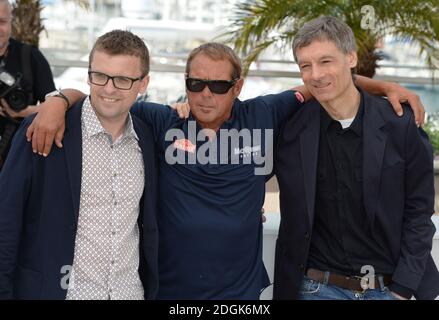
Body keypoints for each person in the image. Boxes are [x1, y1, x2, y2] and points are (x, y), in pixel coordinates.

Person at [26, 41, 426, 299]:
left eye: (218, 86)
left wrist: (388, 87)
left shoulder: (265, 112)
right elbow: (105, 94)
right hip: (170, 291)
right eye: (195, 84)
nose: (204, 95)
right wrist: (58, 100)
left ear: (238, 86)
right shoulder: (163, 120)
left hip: (241, 293)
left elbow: (326, 83)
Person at [274, 16, 439, 300]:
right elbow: (234, 141)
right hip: (315, 289)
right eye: (305, 66)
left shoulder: (401, 126)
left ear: (351, 58)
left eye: (326, 61)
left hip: (388, 289)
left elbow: (419, 214)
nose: (315, 74)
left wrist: (401, 291)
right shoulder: (289, 130)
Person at [0, 30, 159, 300]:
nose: (109, 89)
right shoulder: (43, 129)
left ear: (143, 83)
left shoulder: (147, 136)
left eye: (122, 80)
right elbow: (6, 218)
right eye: (100, 76)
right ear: (88, 75)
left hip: (129, 293)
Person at [0, 0, 55, 169]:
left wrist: (24, 111)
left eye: (1, 22)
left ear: (11, 22)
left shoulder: (30, 57)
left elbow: (55, 105)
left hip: (18, 159)